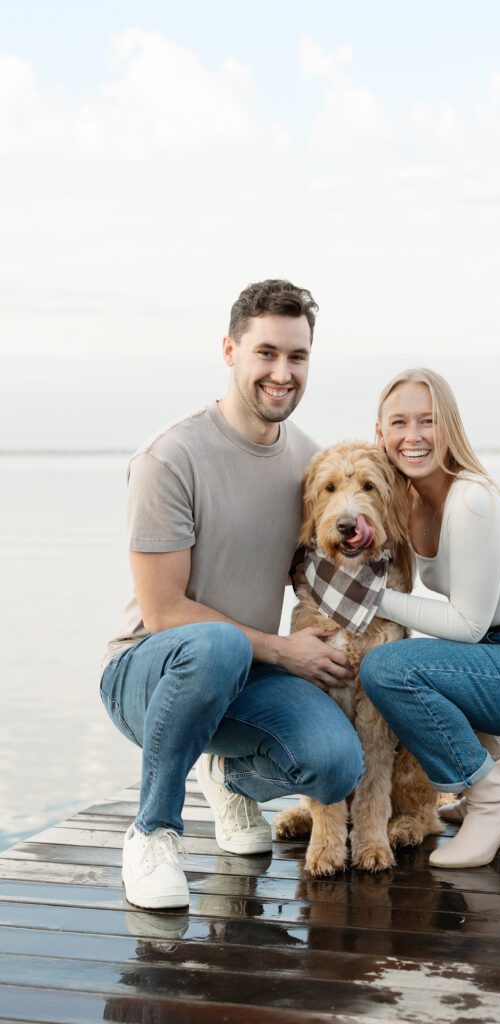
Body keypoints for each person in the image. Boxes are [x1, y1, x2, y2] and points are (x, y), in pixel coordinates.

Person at [100, 279, 362, 910]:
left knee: (336, 765)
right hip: (149, 670)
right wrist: (282, 650)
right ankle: (152, 834)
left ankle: (227, 774)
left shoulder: (309, 463)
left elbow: (324, 571)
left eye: (297, 357)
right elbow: (164, 612)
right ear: (230, 351)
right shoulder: (171, 457)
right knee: (215, 645)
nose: (282, 372)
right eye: (266, 353)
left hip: (247, 675)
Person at [359, 368, 500, 869]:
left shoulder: (471, 498)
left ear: (450, 428)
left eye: (427, 421)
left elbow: (467, 626)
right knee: (429, 663)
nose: (412, 436)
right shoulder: (411, 500)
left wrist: (366, 599)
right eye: (399, 423)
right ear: (380, 433)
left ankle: (492, 800)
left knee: (388, 668)